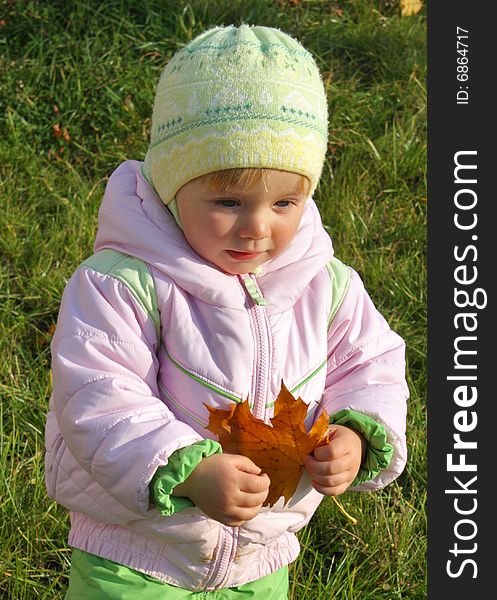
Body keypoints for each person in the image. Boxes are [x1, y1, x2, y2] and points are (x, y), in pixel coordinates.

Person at [45, 24, 408, 599]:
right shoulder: (122, 283)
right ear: (171, 186)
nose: (258, 227)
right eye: (228, 201)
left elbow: (373, 365)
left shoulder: (325, 283)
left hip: (260, 558)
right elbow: (98, 394)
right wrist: (185, 469)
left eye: (285, 202)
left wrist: (360, 435)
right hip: (138, 552)